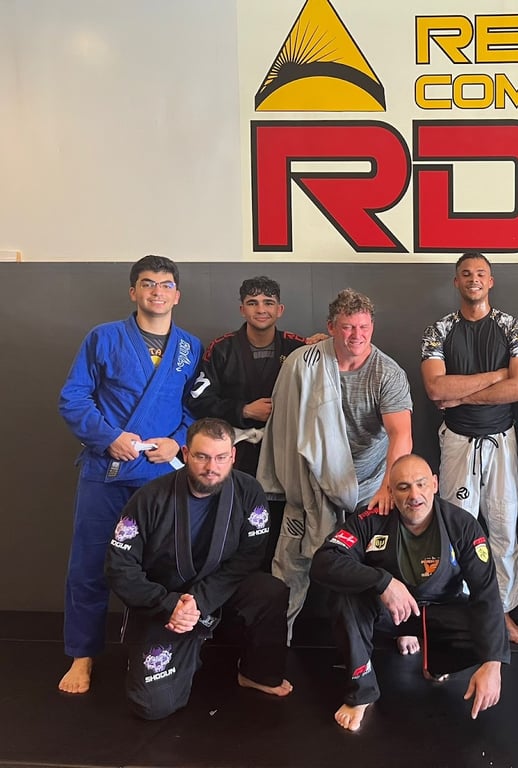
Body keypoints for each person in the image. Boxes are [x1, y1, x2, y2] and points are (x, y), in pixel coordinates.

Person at [58, 255, 202, 694]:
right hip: (107, 470)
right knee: (89, 565)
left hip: (159, 476)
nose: (157, 291)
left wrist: (178, 441)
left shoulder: (189, 347)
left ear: (177, 295)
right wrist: (109, 438)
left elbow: (195, 407)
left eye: (165, 284)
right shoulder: (103, 337)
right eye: (148, 283)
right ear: (133, 291)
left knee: (163, 570)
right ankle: (82, 654)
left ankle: (154, 649)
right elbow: (73, 398)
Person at [104, 418, 292, 719]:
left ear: (233, 455)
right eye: (202, 456)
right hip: (166, 603)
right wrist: (168, 604)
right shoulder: (150, 497)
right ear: (185, 453)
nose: (211, 467)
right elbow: (119, 566)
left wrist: (200, 600)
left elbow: (248, 557)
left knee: (270, 591)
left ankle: (256, 672)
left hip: (216, 593)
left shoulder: (248, 491)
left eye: (220, 457)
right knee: (152, 706)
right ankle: (161, 650)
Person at [310, 454, 509, 732]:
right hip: (389, 614)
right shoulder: (370, 519)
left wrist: (493, 664)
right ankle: (362, 692)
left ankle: (438, 661)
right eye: (403, 487)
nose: (414, 495)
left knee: (487, 630)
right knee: (346, 596)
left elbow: (486, 593)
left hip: (438, 612)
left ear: (435, 484)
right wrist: (383, 582)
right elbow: (323, 562)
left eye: (421, 484)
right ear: (390, 492)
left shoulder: (461, 524)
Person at [257, 288, 413, 637]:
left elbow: (401, 435)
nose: (357, 335)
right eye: (347, 327)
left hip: (369, 487)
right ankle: (274, 641)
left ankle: (402, 626)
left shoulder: (387, 373)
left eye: (364, 327)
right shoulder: (305, 362)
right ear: (331, 327)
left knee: (382, 559)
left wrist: (388, 486)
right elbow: (284, 425)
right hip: (311, 486)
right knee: (290, 565)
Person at [421, 252, 518, 646]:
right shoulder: (438, 330)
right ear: (456, 282)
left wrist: (461, 394)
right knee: (457, 533)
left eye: (480, 273)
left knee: (503, 530)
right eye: (466, 274)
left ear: (491, 281)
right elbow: (436, 388)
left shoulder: (512, 327)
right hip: (458, 441)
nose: (473, 279)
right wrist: (498, 375)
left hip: (501, 440)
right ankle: (463, 613)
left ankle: (501, 614)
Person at [189, 276, 318, 569]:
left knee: (281, 525)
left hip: (285, 452)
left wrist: (325, 343)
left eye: (268, 303)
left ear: (280, 309)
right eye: (253, 303)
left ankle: (277, 587)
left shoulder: (298, 347)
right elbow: (198, 399)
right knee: (236, 520)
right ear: (242, 309)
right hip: (238, 452)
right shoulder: (221, 349)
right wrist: (244, 410)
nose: (261, 309)